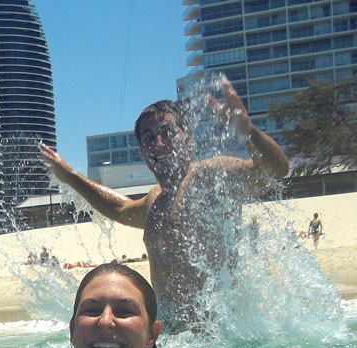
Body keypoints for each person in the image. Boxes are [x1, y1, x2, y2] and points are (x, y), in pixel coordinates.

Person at [41, 78, 288, 328]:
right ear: (142, 149)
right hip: (171, 339)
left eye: (168, 133)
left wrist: (245, 130)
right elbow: (120, 207)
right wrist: (70, 176)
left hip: (222, 337)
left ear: (188, 138)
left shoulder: (211, 175)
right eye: (149, 138)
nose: (159, 144)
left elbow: (274, 170)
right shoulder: (155, 199)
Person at [70, 262, 230, 348]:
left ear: (151, 334)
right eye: (91, 310)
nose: (105, 322)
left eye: (124, 311)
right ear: (72, 330)